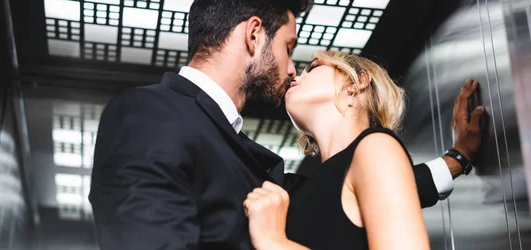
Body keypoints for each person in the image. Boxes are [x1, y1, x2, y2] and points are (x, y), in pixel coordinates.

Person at [88, 0, 484, 249]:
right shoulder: (149, 113)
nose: (291, 69)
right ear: (255, 35)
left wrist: (456, 159)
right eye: (290, 49)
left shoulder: (272, 171)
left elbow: (379, 192)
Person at [243, 51, 479, 250]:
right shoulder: (297, 190)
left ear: (356, 83)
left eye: (313, 67)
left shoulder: (376, 146)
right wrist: (457, 158)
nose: (295, 73)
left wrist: (274, 242)